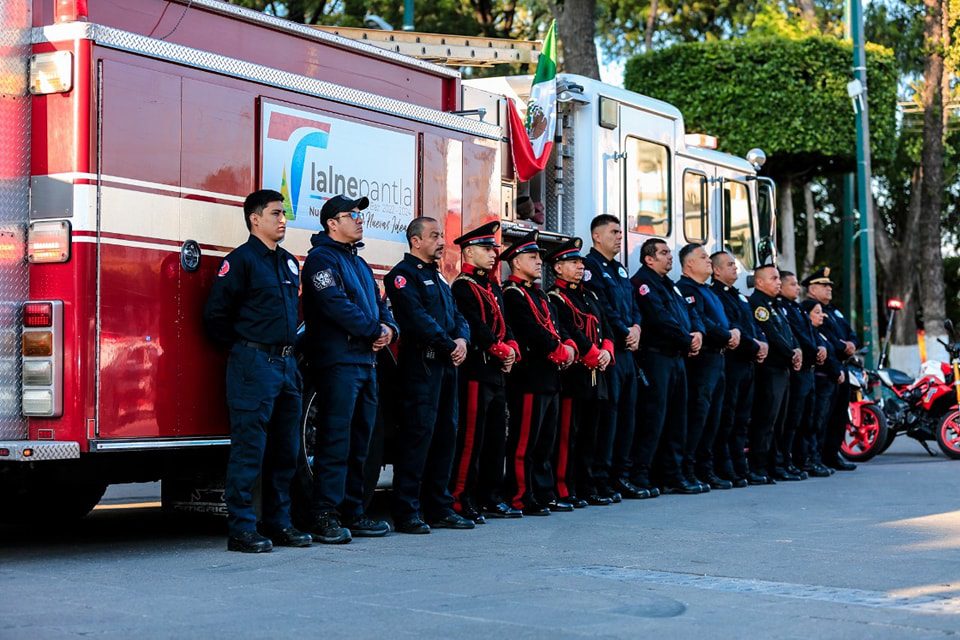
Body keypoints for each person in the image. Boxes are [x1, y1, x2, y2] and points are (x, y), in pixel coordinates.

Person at [203, 189, 312, 553]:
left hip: (286, 366)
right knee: (250, 451)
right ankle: (242, 529)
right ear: (254, 219)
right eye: (276, 213)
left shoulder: (288, 263)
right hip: (253, 365)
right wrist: (245, 349)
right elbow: (216, 316)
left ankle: (279, 523)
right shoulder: (241, 261)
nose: (283, 220)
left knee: (285, 451)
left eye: (284, 214)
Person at [300, 195, 399, 544]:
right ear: (331, 223)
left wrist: (389, 329)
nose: (359, 220)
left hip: (366, 363)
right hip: (338, 362)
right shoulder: (320, 261)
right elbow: (335, 305)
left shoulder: (359, 263)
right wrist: (373, 330)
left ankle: (354, 512)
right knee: (335, 441)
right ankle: (325, 515)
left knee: (362, 441)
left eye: (359, 214)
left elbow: (381, 304)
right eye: (351, 215)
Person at [385, 217, 474, 534]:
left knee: (445, 437)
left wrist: (462, 339)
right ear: (415, 241)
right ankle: (407, 511)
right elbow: (416, 318)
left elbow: (458, 316)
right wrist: (448, 343)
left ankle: (440, 507)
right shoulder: (401, 276)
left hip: (446, 366)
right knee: (417, 437)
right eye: (434, 235)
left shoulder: (440, 278)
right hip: (421, 366)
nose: (441, 241)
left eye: (442, 235)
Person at [448, 221, 522, 523]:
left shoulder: (492, 286)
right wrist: (497, 348)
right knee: (470, 438)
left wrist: (512, 346)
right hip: (477, 369)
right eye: (486, 249)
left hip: (497, 371)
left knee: (495, 438)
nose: (494, 254)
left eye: (494, 248)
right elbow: (474, 325)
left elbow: (504, 321)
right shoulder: (463, 286)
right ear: (468, 252)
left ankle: (490, 496)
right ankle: (460, 497)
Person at [501, 230, 577, 515]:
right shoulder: (513, 294)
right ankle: (521, 495)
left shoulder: (538, 293)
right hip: (530, 377)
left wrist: (568, 345)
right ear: (516, 262)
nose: (538, 262)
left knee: (546, 441)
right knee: (524, 442)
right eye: (532, 257)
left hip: (550, 377)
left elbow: (555, 326)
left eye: (538, 257)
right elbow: (530, 331)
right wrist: (557, 349)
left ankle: (544, 493)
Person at [630, 239, 704, 495]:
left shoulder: (669, 285)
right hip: (657, 357)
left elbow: (688, 312)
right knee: (654, 418)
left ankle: (672, 474)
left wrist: (697, 334)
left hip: (676, 357)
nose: (670, 257)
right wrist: (687, 339)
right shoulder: (643, 283)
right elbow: (659, 319)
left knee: (677, 419)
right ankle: (641, 474)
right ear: (649, 259)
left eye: (670, 253)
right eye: (663, 253)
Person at [546, 238, 616, 507]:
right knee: (567, 436)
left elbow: (604, 327)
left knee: (591, 435)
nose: (579, 266)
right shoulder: (557, 297)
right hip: (575, 375)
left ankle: (587, 486)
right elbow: (567, 330)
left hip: (596, 375)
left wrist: (607, 350)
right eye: (573, 262)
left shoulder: (590, 295)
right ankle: (564, 488)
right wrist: (592, 353)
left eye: (579, 262)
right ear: (558, 268)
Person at [581, 215, 646, 501]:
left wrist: (637, 328)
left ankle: (621, 476)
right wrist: (624, 332)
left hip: (628, 351)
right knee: (609, 418)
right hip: (611, 351)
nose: (620, 236)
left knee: (629, 417)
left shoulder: (619, 269)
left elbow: (633, 305)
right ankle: (601, 479)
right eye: (614, 232)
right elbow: (602, 308)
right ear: (596, 236)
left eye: (621, 231)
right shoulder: (590, 267)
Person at [677, 244, 739, 491]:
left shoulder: (708, 291)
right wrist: (726, 334)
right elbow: (702, 322)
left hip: (719, 358)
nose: (708, 262)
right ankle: (688, 470)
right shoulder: (686, 289)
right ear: (689, 264)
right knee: (698, 416)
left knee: (715, 417)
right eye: (703, 258)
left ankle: (706, 469)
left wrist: (733, 332)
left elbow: (722, 319)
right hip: (703, 359)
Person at [710, 251, 768, 488]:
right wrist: (755, 345)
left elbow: (752, 325)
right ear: (717, 271)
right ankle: (726, 467)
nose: (736, 268)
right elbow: (733, 329)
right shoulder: (717, 295)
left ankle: (740, 467)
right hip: (733, 362)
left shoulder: (739, 296)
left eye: (735, 264)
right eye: (730, 265)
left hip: (748, 363)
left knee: (743, 419)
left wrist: (762, 342)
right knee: (728, 418)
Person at [749, 265, 802, 484]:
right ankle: (759, 467)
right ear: (759, 282)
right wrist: (791, 353)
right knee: (766, 421)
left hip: (784, 368)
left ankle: (776, 465)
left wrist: (797, 349)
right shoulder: (757, 305)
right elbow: (771, 334)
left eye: (779, 278)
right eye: (773, 278)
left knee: (780, 421)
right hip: (770, 370)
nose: (778, 282)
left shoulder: (776, 305)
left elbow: (788, 332)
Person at [802, 267, 857, 471]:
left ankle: (832, 455)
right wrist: (844, 347)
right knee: (821, 418)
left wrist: (851, 344)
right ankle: (817, 457)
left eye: (829, 285)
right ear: (812, 288)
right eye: (823, 285)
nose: (829, 289)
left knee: (838, 416)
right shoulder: (812, 309)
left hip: (841, 367)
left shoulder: (834, 311)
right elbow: (826, 339)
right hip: (827, 370)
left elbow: (851, 333)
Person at [778, 270, 822, 481]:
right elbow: (798, 336)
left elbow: (811, 334)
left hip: (808, 369)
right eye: (793, 284)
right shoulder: (783, 308)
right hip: (798, 369)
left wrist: (820, 347)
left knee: (807, 419)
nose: (797, 288)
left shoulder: (795, 308)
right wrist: (814, 350)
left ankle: (805, 460)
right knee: (792, 420)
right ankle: (790, 461)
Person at [800, 299, 843, 477]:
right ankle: (810, 459)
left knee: (822, 423)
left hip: (829, 381)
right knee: (813, 423)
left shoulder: (820, 333)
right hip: (820, 379)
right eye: (816, 312)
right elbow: (822, 358)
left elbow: (836, 350)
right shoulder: (810, 334)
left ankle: (818, 458)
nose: (821, 315)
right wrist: (835, 371)